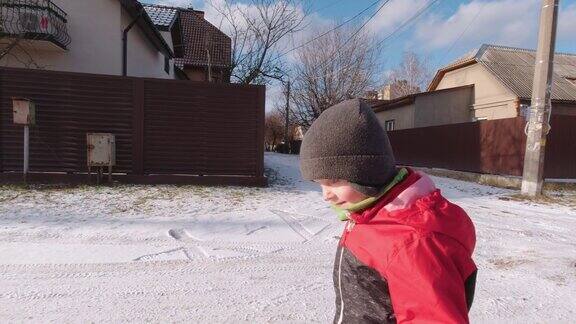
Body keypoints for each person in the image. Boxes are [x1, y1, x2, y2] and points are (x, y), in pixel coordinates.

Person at [299, 99, 477, 323]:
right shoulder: (369, 214)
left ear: (366, 174)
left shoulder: (411, 241)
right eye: (319, 182)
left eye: (334, 180)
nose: (326, 194)